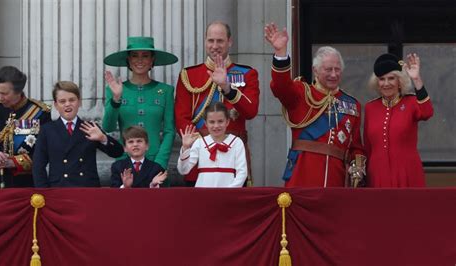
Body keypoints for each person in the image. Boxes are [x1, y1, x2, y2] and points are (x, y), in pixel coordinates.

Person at [264, 22, 365, 187]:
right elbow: (280, 86)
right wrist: (280, 53)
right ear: (316, 70)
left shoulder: (352, 104)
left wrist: (357, 166)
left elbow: (355, 146)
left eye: (337, 69)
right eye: (328, 69)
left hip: (336, 180)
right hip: (302, 176)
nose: (334, 74)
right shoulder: (301, 93)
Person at [175, 21, 259, 187]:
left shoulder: (247, 73)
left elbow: (251, 111)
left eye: (220, 41)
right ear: (205, 42)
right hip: (199, 155)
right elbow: (181, 117)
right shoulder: (189, 75)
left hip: (233, 154)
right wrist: (206, 143)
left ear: (229, 42)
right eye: (210, 41)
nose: (215, 46)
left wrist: (228, 88)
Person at [102, 36, 177, 177]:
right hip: (125, 164)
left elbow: (169, 131)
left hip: (155, 163)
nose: (140, 60)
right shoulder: (115, 89)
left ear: (152, 60)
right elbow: (108, 127)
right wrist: (116, 98)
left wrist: (160, 164)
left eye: (145, 55)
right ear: (128, 60)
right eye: (134, 56)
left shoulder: (165, 91)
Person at [33, 81, 124, 187]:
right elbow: (38, 166)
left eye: (72, 100)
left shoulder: (90, 127)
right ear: (56, 105)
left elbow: (118, 152)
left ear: (79, 102)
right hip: (59, 191)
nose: (67, 104)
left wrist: (103, 138)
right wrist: (44, 193)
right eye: (62, 101)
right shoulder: (47, 130)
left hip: (87, 191)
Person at [364, 53, 433, 187]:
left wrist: (416, 79)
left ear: (400, 81)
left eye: (391, 78)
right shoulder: (370, 107)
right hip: (377, 175)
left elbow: (427, 112)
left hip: (407, 172)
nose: (386, 83)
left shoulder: (411, 102)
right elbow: (367, 146)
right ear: (377, 83)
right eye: (382, 79)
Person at [0, 66, 51, 188]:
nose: (0, 97)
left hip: (28, 184)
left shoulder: (40, 113)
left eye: (4, 93)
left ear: (18, 91)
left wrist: (13, 162)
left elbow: (46, 152)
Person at [177, 102, 247, 187]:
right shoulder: (200, 143)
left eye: (220, 121)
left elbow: (242, 173)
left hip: (228, 194)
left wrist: (230, 191)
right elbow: (183, 170)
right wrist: (185, 147)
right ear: (206, 124)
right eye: (212, 122)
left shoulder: (236, 142)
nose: (216, 126)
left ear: (227, 122)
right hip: (203, 194)